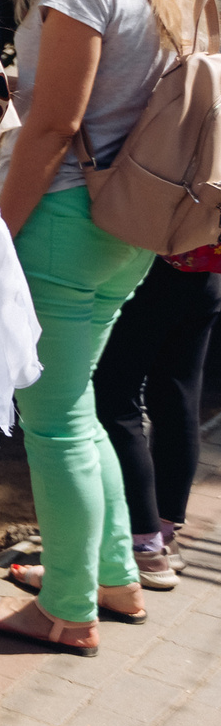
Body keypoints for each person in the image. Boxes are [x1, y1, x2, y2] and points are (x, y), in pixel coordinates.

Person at [0, 0, 218, 649]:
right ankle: (114, 579)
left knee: (53, 421)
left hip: (61, 218)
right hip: (129, 223)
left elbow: (52, 127)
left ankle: (68, 607)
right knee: (79, 402)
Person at [92, 250, 217, 587]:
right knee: (179, 398)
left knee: (113, 397)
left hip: (153, 267)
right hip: (207, 270)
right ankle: (164, 534)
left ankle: (144, 544)